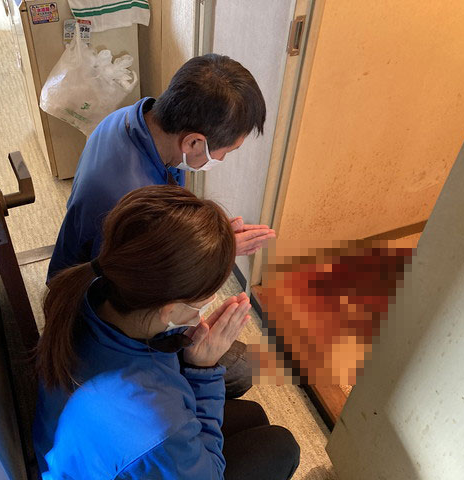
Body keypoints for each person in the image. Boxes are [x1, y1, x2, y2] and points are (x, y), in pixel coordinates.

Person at [47, 53, 276, 398]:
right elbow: (149, 297)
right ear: (193, 142)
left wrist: (210, 239)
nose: (223, 159)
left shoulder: (132, 119)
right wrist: (213, 258)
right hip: (106, 315)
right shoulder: (128, 194)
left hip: (91, 272)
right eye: (227, 151)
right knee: (241, 369)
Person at [33, 185, 300, 480]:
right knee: (282, 446)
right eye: (205, 298)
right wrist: (204, 370)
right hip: (132, 438)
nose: (208, 303)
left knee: (254, 415)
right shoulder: (156, 422)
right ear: (169, 311)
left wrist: (203, 260)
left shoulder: (96, 286)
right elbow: (209, 476)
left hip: (92, 443)